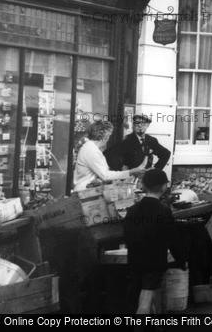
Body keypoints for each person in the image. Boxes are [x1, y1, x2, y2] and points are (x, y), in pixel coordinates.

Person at [124, 169, 183, 314]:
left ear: (143, 185)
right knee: (145, 300)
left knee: (140, 297)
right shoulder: (163, 211)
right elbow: (173, 239)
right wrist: (181, 260)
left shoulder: (131, 210)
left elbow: (127, 236)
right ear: (164, 187)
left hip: (134, 260)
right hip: (155, 262)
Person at [73, 121, 146, 192]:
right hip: (84, 192)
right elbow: (105, 175)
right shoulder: (91, 150)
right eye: (109, 136)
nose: (108, 139)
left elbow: (102, 174)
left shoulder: (91, 148)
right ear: (105, 136)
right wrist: (130, 172)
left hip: (88, 190)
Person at [105, 114, 171, 171]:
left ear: (147, 126)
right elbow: (107, 155)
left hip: (146, 178)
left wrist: (155, 170)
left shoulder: (151, 140)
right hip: (131, 177)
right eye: (137, 123)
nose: (140, 126)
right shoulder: (126, 140)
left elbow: (166, 154)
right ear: (133, 126)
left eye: (143, 123)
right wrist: (121, 168)